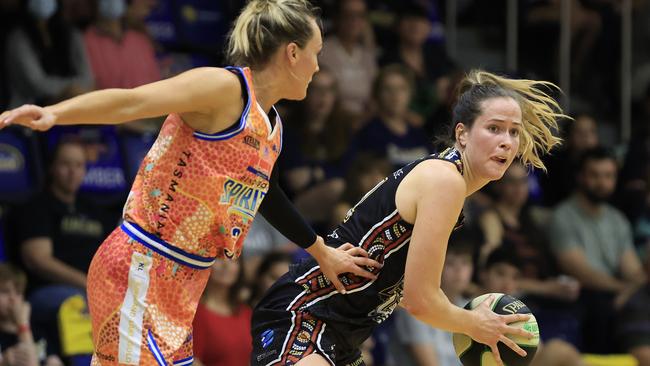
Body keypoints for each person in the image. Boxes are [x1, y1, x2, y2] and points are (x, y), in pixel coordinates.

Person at [0, 1, 381, 364]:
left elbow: (269, 195)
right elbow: (133, 102)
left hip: (185, 283)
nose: (318, 67)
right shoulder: (224, 89)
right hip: (142, 264)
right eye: (316, 53)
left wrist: (322, 251)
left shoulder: (273, 127)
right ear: (293, 53)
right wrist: (53, 113)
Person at [250, 69, 565, 366]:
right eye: (494, 128)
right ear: (463, 134)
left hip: (342, 332)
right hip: (306, 314)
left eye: (513, 131)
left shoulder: (446, 180)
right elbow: (421, 300)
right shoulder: (445, 180)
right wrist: (475, 324)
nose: (506, 141)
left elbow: (405, 291)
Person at [192, 259, 250, 366]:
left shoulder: (246, 313)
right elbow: (192, 361)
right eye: (219, 258)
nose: (226, 265)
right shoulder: (194, 311)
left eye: (234, 260)